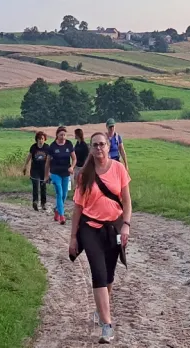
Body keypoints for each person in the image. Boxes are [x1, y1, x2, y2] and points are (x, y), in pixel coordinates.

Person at [69, 132, 132, 344]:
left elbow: (126, 201)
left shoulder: (118, 169)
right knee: (98, 272)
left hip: (113, 227)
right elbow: (78, 208)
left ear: (108, 146)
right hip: (90, 228)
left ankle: (100, 309)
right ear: (91, 148)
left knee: (109, 275)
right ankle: (107, 325)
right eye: (95, 145)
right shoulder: (84, 175)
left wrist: (126, 226)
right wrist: (73, 238)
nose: (99, 149)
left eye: (102, 144)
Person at [45, 126, 77, 225]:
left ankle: (57, 209)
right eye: (61, 135)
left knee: (64, 194)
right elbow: (47, 162)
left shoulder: (69, 144)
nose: (63, 137)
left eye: (64, 135)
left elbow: (74, 159)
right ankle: (62, 216)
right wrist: (46, 175)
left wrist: (72, 167)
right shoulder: (52, 146)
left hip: (66, 173)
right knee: (59, 192)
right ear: (57, 135)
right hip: (55, 173)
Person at [23, 131, 50, 211]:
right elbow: (29, 157)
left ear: (44, 139)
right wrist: (25, 166)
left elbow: (50, 159)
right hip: (35, 170)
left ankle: (43, 203)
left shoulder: (47, 147)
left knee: (43, 186)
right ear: (36, 140)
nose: (40, 140)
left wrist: (50, 170)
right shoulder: (33, 147)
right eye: (39, 139)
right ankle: (35, 202)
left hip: (44, 170)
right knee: (35, 185)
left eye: (42, 139)